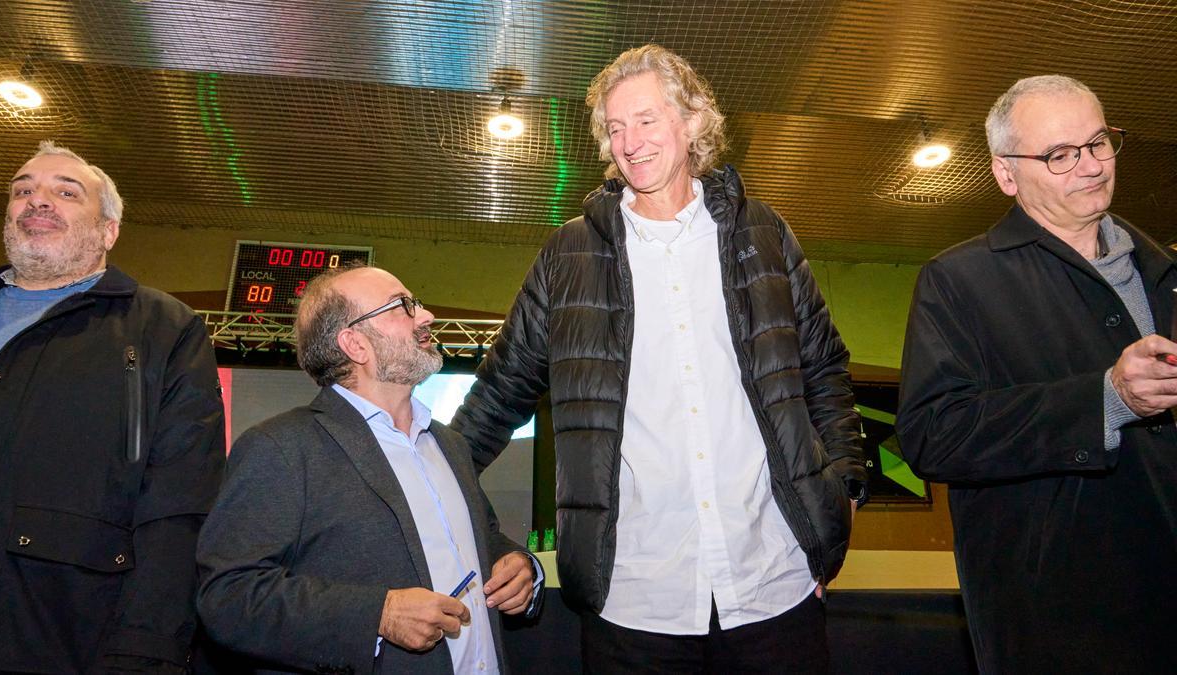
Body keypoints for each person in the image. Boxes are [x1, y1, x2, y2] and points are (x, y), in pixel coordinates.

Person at [450, 45, 865, 673]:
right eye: (615, 128)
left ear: (693, 121)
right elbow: (495, 399)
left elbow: (825, 371)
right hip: (633, 607)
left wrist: (843, 501)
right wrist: (451, 506)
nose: (629, 142)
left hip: (776, 588)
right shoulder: (568, 257)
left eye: (645, 119)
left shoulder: (765, 233)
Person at [897, 75, 1177, 672]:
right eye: (1059, 154)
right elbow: (934, 434)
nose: (1092, 166)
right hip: (1060, 623)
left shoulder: (1166, 273)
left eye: (1099, 142)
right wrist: (1107, 398)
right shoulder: (960, 282)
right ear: (1006, 174)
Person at [196, 265, 542, 674]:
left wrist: (521, 567)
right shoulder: (282, 448)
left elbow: (482, 537)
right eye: (403, 307)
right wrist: (378, 615)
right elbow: (229, 596)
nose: (426, 316)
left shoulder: (449, 445)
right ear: (355, 344)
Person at [0, 141, 226, 673]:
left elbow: (180, 503)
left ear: (109, 230)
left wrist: (149, 644)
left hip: (63, 634)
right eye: (23, 190)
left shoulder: (164, 329)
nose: (37, 201)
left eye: (66, 193)